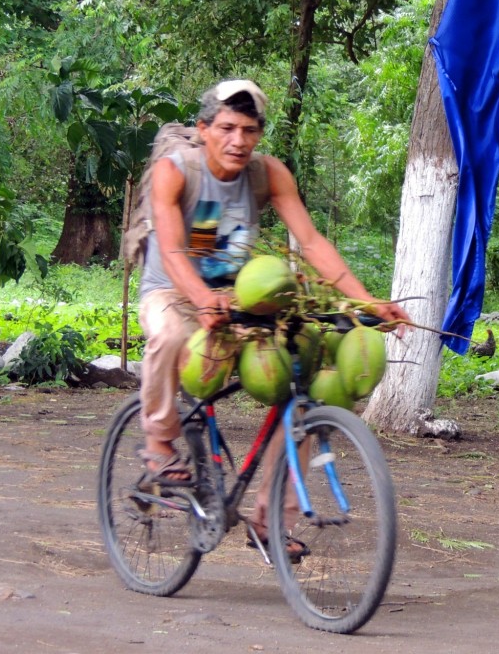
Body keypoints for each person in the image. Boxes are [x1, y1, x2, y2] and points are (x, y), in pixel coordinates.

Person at [136, 78, 408, 557]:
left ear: (260, 132)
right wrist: (202, 298)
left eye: (248, 129)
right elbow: (176, 251)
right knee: (170, 334)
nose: (237, 140)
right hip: (175, 291)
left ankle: (270, 520)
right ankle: (160, 442)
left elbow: (313, 243)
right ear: (203, 129)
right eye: (226, 128)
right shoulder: (175, 171)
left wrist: (364, 304)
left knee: (303, 389)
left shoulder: (269, 174)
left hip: (245, 300)